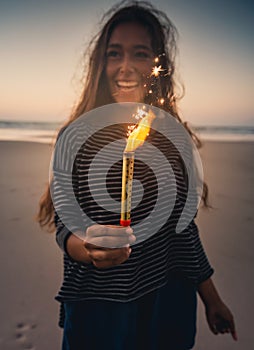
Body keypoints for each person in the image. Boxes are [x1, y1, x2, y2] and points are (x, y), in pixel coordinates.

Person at [37, 1, 237, 349]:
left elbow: (183, 228)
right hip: (99, 308)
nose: (125, 67)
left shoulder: (175, 138)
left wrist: (212, 298)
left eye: (140, 53)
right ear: (100, 64)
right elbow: (65, 226)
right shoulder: (76, 136)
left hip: (167, 302)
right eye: (114, 54)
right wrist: (89, 249)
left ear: (157, 64)